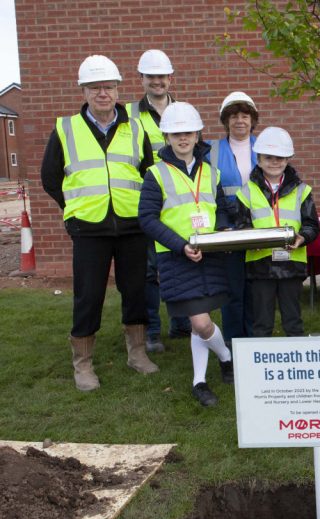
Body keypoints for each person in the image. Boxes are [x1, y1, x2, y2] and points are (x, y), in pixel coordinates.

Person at [41, 55, 157, 392]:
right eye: (95, 87)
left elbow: (148, 175)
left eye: (108, 86)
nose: (102, 93)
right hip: (89, 229)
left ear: (118, 89)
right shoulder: (66, 128)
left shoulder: (135, 128)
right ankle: (83, 363)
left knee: (135, 290)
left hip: (131, 225)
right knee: (88, 295)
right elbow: (50, 178)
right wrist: (73, 208)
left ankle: (137, 353)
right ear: (84, 91)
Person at [138, 102, 232, 406]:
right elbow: (147, 219)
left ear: (197, 135)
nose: (182, 138)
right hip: (178, 257)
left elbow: (221, 211)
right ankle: (227, 356)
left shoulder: (211, 172)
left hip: (210, 255)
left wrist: (226, 228)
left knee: (198, 324)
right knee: (202, 322)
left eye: (188, 132)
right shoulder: (156, 174)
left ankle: (199, 381)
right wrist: (181, 245)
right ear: (166, 137)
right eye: (175, 133)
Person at [127, 49, 191, 353]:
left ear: (170, 78)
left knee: (181, 264)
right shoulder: (128, 114)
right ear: (142, 79)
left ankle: (181, 323)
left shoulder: (183, 111)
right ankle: (152, 330)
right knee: (149, 271)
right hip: (149, 202)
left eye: (162, 76)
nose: (157, 81)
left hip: (180, 203)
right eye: (151, 76)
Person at [234, 127, 319, 337]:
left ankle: (295, 365)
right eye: (269, 157)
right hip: (260, 265)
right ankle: (260, 366)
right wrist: (254, 241)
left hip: (292, 263)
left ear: (288, 159)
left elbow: (311, 224)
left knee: (293, 321)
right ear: (259, 159)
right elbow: (242, 226)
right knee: (262, 322)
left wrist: (303, 237)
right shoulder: (246, 192)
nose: (275, 162)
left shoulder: (302, 190)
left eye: (280, 157)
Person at [207, 92, 259, 349]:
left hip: (260, 229)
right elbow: (208, 193)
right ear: (226, 121)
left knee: (255, 290)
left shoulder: (264, 146)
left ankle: (254, 342)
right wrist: (221, 226)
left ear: (252, 120)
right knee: (233, 289)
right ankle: (233, 343)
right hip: (228, 229)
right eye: (234, 116)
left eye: (245, 116)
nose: (240, 121)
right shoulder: (211, 150)